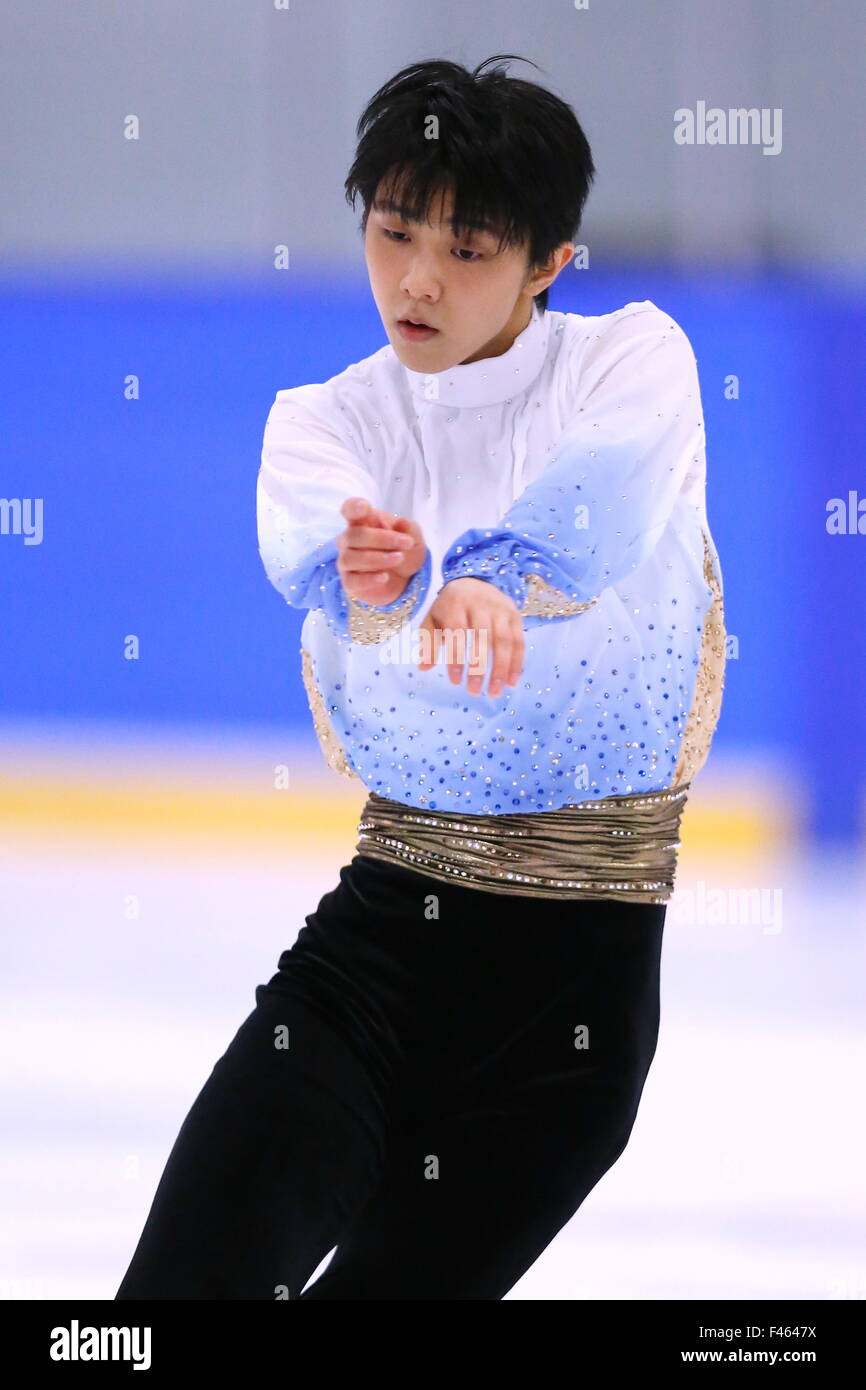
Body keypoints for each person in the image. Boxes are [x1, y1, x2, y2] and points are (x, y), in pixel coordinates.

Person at [115, 53, 726, 1301]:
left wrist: (497, 574)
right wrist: (384, 584)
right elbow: (312, 535)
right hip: (374, 954)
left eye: (468, 247)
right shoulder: (327, 418)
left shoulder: (633, 362)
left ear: (548, 261)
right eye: (394, 232)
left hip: (572, 1010)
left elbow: (602, 493)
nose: (417, 278)